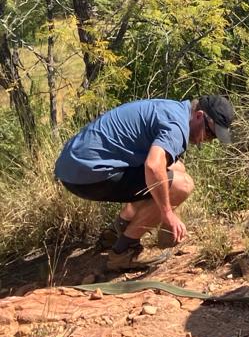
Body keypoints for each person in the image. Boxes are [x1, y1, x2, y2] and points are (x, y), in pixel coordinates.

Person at [55, 96, 235, 272]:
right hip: (88, 175)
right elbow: (153, 167)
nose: (208, 139)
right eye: (210, 133)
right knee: (182, 185)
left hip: (73, 167)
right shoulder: (177, 126)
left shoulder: (174, 109)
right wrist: (167, 213)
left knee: (177, 168)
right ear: (199, 116)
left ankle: (119, 229)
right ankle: (124, 251)